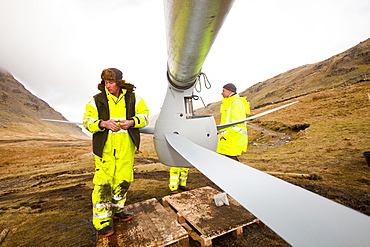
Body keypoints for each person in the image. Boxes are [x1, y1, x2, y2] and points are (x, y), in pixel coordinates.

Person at [83, 68, 149, 237]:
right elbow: (87, 121)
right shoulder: (96, 100)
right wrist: (103, 124)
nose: (108, 86)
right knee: (104, 183)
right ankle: (102, 222)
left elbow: (145, 117)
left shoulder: (134, 98)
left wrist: (132, 122)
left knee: (123, 180)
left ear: (119, 83)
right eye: (105, 82)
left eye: (111, 83)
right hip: (105, 148)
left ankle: (117, 210)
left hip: (126, 148)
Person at [217, 83, 250, 161]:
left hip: (233, 141)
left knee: (232, 167)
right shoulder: (230, 103)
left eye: (223, 91)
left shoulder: (236, 103)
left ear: (229, 91)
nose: (221, 93)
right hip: (228, 141)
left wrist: (226, 136)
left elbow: (238, 124)